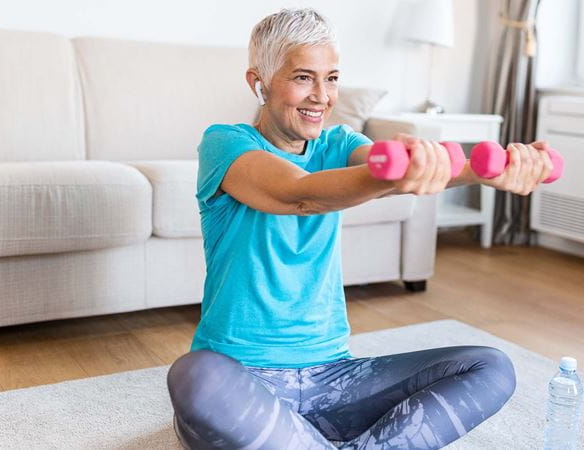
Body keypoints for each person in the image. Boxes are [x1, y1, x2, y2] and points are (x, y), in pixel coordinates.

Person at [167, 8, 553, 450]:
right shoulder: (225, 143)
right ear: (258, 82)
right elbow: (300, 195)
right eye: (303, 78)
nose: (322, 96)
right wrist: (394, 176)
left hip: (334, 380)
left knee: (489, 367)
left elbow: (379, 169)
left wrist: (484, 172)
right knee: (194, 375)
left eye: (331, 78)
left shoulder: (341, 142)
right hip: (240, 377)